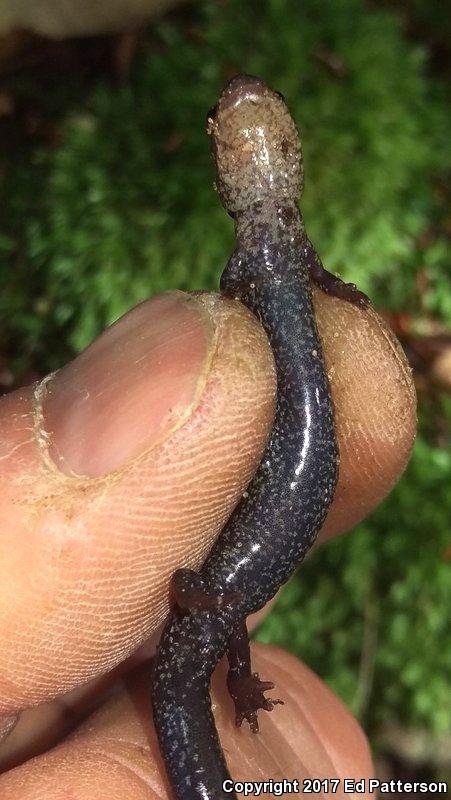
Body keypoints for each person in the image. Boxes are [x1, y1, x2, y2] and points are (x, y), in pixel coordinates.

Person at [0, 287, 416, 797]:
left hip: (214, 608)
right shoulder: (208, 628)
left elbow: (192, 593)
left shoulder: (203, 627)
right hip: (217, 608)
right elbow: (203, 606)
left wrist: (229, 653)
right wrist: (235, 669)